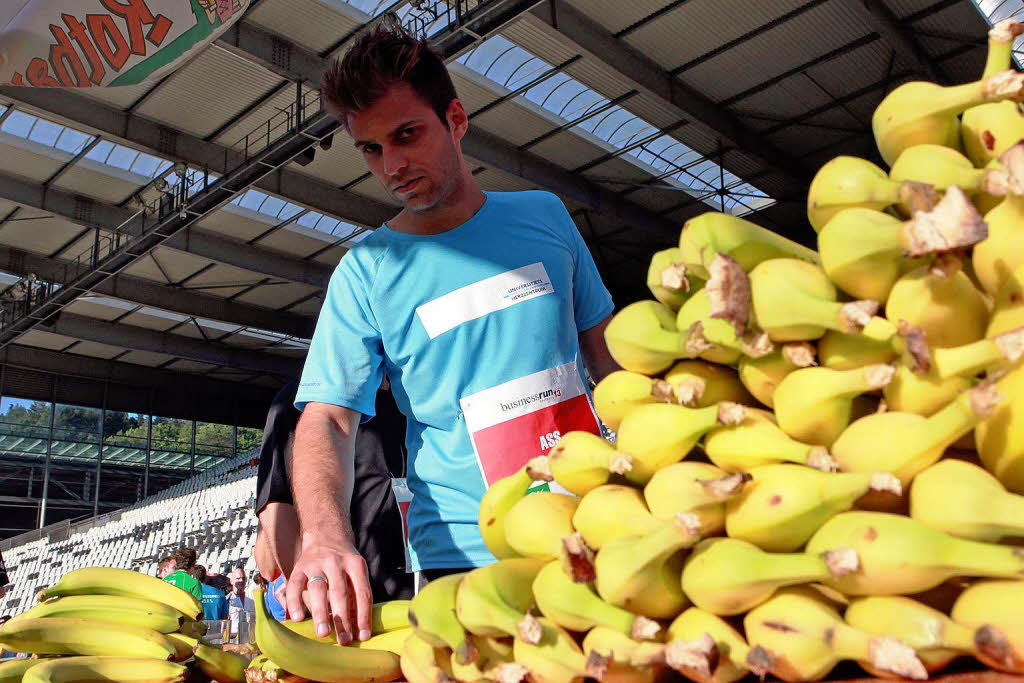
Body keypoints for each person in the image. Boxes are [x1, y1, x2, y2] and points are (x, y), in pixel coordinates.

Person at [287, 16, 617, 645]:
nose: (392, 165)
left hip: (588, 515)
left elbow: (605, 354)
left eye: (407, 135)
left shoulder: (546, 216)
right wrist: (324, 533)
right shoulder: (365, 272)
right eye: (372, 148)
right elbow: (327, 419)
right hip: (459, 553)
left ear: (457, 120)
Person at [254, 379, 411, 607]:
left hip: (428, 587)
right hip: (356, 602)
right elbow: (277, 505)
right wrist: (315, 591)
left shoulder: (417, 396)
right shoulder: (306, 396)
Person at [226, 567, 255, 638]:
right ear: (231, 581)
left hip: (249, 638)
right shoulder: (226, 600)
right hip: (232, 638)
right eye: (238, 578)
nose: (241, 580)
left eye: (243, 578)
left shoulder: (251, 602)